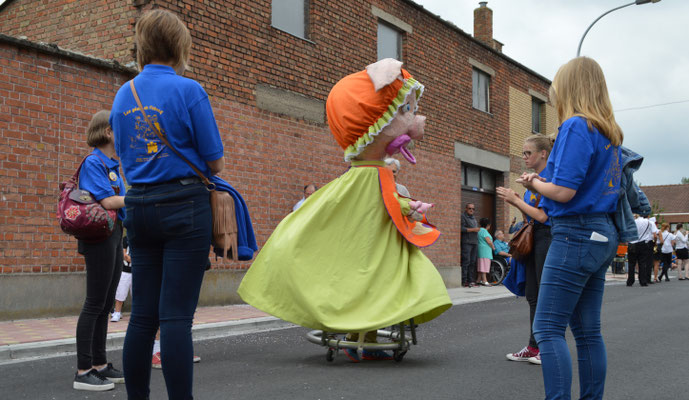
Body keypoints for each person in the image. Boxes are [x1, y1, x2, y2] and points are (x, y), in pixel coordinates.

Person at [237, 58, 451, 363]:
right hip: (376, 250)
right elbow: (386, 202)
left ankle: (362, 338)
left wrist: (409, 205)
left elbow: (375, 203)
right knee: (377, 289)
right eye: (405, 110)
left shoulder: (358, 176)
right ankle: (357, 339)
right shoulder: (375, 174)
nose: (415, 120)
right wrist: (411, 207)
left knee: (373, 290)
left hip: (374, 247)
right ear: (377, 120)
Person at [110, 10, 225, 400]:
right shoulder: (188, 90)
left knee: (142, 316)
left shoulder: (123, 94)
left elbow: (124, 158)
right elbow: (215, 160)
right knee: (176, 317)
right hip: (183, 205)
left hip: (138, 205)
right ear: (180, 45)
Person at [518, 57, 621, 399]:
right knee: (588, 331)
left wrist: (534, 182)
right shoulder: (608, 133)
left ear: (570, 88)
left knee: (547, 328)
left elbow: (564, 192)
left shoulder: (576, 125)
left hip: (575, 233)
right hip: (601, 233)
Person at [73, 110, 126, 391]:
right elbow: (107, 202)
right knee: (94, 303)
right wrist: (134, 197)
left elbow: (119, 204)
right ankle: (83, 371)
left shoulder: (112, 163)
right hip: (98, 236)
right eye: (120, 129)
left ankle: (100, 364)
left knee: (106, 304)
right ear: (108, 132)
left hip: (114, 234)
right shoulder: (94, 162)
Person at [497, 133, 554, 365]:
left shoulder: (549, 178)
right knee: (532, 295)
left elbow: (543, 216)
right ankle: (533, 346)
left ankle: (545, 348)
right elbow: (530, 218)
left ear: (543, 154)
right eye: (523, 153)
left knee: (544, 296)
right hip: (535, 239)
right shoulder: (533, 180)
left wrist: (516, 201)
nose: (524, 157)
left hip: (547, 239)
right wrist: (520, 202)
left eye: (528, 153)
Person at [626, 214, 654, 287]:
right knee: (642, 263)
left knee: (631, 264)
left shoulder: (633, 221)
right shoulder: (649, 222)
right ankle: (643, 281)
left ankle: (630, 281)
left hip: (632, 243)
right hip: (643, 243)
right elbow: (652, 233)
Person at [111, 236, 132, 323]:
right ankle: (117, 312)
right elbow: (124, 255)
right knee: (121, 292)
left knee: (137, 294)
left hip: (138, 270)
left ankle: (135, 314)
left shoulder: (142, 238)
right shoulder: (126, 239)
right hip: (125, 270)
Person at [461, 203, 480, 287]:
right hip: (467, 242)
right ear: (466, 209)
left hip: (474, 242)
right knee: (466, 261)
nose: (471, 210)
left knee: (472, 262)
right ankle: (464, 281)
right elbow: (461, 229)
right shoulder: (463, 217)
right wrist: (473, 229)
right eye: (470, 208)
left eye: (473, 209)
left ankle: (471, 281)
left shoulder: (473, 218)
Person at [476, 218, 494, 286]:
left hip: (480, 250)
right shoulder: (485, 231)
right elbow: (489, 241)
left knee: (481, 265)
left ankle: (478, 279)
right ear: (488, 225)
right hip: (485, 251)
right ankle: (485, 280)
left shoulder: (479, 230)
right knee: (484, 266)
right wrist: (493, 247)